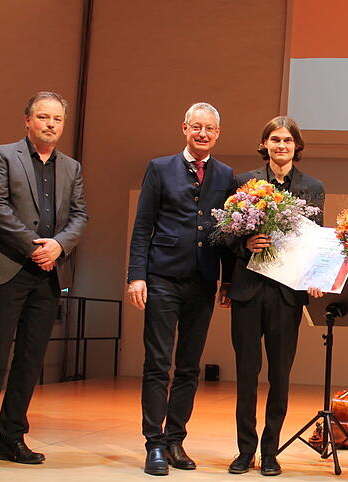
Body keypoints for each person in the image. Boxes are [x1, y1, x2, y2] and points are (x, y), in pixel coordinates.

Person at [0, 91, 88, 469]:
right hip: (6, 268)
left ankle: (12, 439)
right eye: (43, 117)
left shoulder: (72, 167)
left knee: (30, 361)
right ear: (28, 121)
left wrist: (58, 247)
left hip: (47, 275)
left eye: (57, 119)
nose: (51, 124)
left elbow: (80, 216)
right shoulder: (2, 155)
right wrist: (34, 246)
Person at [126, 102, 234, 475]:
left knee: (189, 366)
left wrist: (227, 282)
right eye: (196, 127)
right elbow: (143, 226)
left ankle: (175, 439)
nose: (202, 134)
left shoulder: (226, 175)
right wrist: (136, 275)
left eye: (210, 129)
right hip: (162, 277)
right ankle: (153, 444)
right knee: (157, 363)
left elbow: (229, 235)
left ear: (218, 133)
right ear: (184, 128)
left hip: (203, 281)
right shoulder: (160, 168)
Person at [225, 116, 325, 477]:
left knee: (280, 375)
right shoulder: (243, 182)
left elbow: (317, 241)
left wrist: (317, 278)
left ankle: (270, 452)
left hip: (287, 294)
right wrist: (244, 244)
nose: (281, 146)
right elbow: (227, 236)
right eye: (274, 140)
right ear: (264, 144)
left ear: (297, 146)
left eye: (287, 140)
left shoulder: (313, 187)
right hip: (249, 291)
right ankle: (244, 451)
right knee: (246, 374)